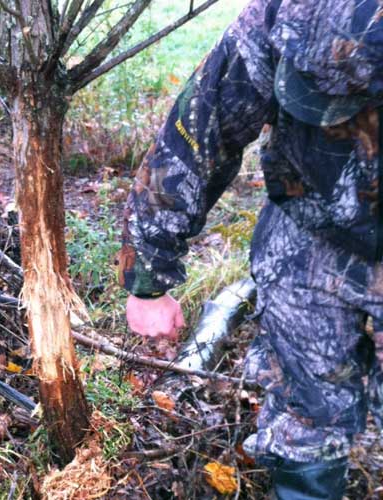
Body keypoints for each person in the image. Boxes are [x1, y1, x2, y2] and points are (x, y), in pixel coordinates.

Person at [117, 0, 383, 498]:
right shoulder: (276, 17)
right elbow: (199, 128)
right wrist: (147, 279)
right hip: (309, 229)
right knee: (308, 405)